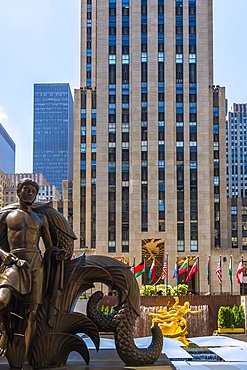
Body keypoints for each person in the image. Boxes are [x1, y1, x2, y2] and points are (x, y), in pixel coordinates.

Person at [0, 178, 66, 359]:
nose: (30, 194)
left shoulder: (41, 219)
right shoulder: (7, 217)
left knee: (33, 313)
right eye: (26, 190)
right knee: (2, 301)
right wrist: (5, 255)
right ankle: (5, 332)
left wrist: (57, 254)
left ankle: (28, 357)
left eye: (33, 192)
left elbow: (49, 246)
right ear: (18, 191)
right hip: (14, 263)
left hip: (36, 264)